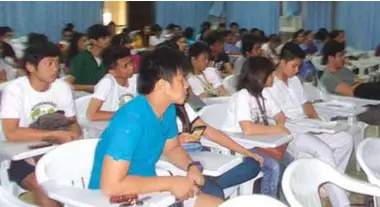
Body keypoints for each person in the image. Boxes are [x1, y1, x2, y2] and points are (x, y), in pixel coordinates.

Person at [88, 46, 223, 207]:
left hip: (149, 194)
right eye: (181, 80)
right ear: (161, 85)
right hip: (112, 200)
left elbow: (172, 148)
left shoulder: (167, 108)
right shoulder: (130, 119)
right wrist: (171, 183)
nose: (186, 86)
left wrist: (191, 166)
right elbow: (111, 186)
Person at [267, 42, 354, 207]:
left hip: (305, 124)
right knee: (324, 150)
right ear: (282, 62)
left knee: (345, 139)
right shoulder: (270, 84)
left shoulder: (294, 81)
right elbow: (276, 119)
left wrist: (319, 123)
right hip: (289, 131)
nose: (297, 70)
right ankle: (342, 202)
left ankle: (326, 186)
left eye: (299, 66)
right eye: (294, 66)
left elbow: (306, 105)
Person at [1, 42, 82, 207]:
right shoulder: (15, 90)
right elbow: (11, 133)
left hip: (57, 153)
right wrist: (55, 135)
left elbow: (73, 123)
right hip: (22, 157)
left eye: (57, 63)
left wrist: (74, 135)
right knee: (45, 188)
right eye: (49, 64)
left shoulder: (62, 88)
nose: (55, 69)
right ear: (31, 66)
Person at [222, 56, 294, 198]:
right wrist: (277, 129)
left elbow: (280, 115)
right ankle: (268, 201)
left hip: (258, 142)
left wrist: (279, 126)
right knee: (272, 166)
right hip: (239, 145)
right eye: (270, 74)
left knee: (289, 161)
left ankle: (281, 198)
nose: (273, 77)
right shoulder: (243, 96)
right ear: (260, 76)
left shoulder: (264, 92)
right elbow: (248, 129)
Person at [176, 103, 262, 199]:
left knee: (252, 164)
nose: (186, 87)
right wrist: (175, 141)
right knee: (216, 194)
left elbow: (211, 132)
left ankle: (206, 186)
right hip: (179, 163)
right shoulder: (157, 114)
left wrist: (247, 152)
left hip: (200, 156)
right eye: (182, 86)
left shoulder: (183, 107)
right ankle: (208, 187)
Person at [320, 40, 380, 125]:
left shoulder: (344, 70)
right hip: (353, 108)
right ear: (330, 58)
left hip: (365, 99)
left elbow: (360, 82)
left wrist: (357, 85)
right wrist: (357, 85)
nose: (344, 58)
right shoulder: (328, 78)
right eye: (340, 56)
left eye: (343, 55)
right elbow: (351, 92)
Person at [86, 46, 137, 121]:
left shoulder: (135, 79)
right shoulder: (106, 83)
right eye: (125, 66)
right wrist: (124, 114)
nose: (131, 67)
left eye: (131, 62)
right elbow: (91, 115)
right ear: (112, 71)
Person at [65, 24, 110, 92]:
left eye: (108, 37)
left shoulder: (108, 58)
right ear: (93, 41)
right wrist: (93, 87)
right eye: (104, 38)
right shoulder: (81, 59)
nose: (108, 40)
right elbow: (67, 84)